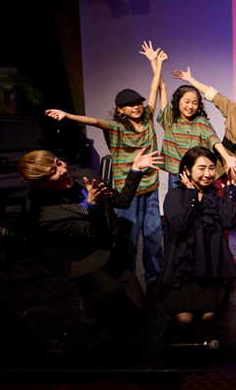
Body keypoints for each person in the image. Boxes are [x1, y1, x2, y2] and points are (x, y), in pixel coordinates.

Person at [45, 42, 165, 290]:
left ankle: (154, 278)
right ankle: (128, 277)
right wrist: (67, 115)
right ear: (120, 110)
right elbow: (93, 121)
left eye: (139, 103)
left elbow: (154, 89)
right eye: (131, 104)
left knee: (154, 235)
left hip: (151, 188)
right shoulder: (116, 128)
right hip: (128, 192)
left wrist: (156, 63)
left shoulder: (148, 118)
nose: (137, 106)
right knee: (129, 238)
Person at [19, 148, 163, 325]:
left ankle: (112, 288)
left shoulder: (86, 176)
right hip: (90, 262)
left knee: (140, 311)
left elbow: (122, 201)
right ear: (42, 184)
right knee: (113, 292)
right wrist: (94, 206)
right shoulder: (50, 216)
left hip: (114, 254)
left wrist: (136, 169)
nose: (62, 170)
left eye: (59, 163)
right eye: (53, 171)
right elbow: (96, 234)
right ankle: (90, 300)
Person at [171, 67, 236, 276]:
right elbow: (213, 95)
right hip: (218, 166)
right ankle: (224, 261)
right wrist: (191, 79)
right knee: (216, 215)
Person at [139, 41, 236, 189]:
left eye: (195, 103)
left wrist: (227, 157)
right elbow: (162, 87)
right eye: (187, 102)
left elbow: (213, 138)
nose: (190, 106)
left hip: (197, 173)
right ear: (178, 101)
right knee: (176, 202)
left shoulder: (200, 121)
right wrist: (155, 62)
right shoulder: (170, 118)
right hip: (176, 172)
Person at [156, 147, 236, 327]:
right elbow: (180, 226)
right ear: (186, 170)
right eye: (201, 168)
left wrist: (230, 195)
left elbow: (228, 222)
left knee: (208, 318)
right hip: (183, 274)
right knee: (185, 321)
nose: (208, 174)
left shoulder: (214, 197)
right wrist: (192, 195)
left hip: (209, 270)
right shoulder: (175, 195)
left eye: (211, 168)